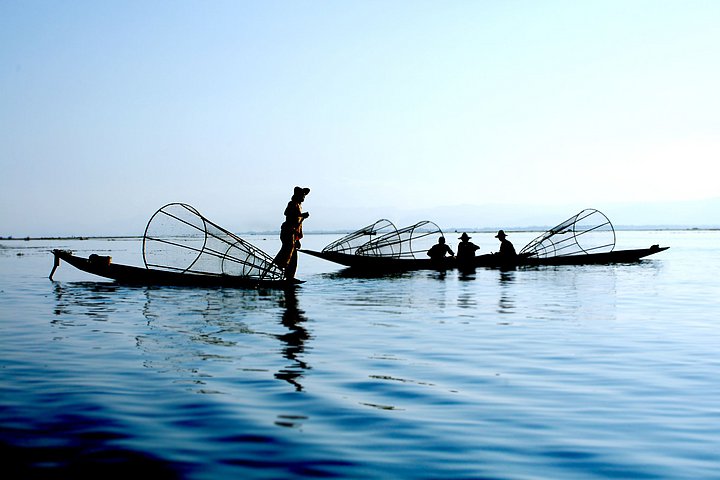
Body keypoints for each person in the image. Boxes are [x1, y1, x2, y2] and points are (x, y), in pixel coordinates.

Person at [274, 186, 310, 281]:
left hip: (293, 234)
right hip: (287, 232)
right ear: (297, 196)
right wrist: (301, 215)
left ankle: (290, 277)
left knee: (293, 256)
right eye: (302, 196)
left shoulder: (299, 205)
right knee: (287, 250)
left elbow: (298, 225)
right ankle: (278, 265)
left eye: (304, 196)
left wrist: (297, 239)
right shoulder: (292, 204)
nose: (303, 198)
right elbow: (287, 214)